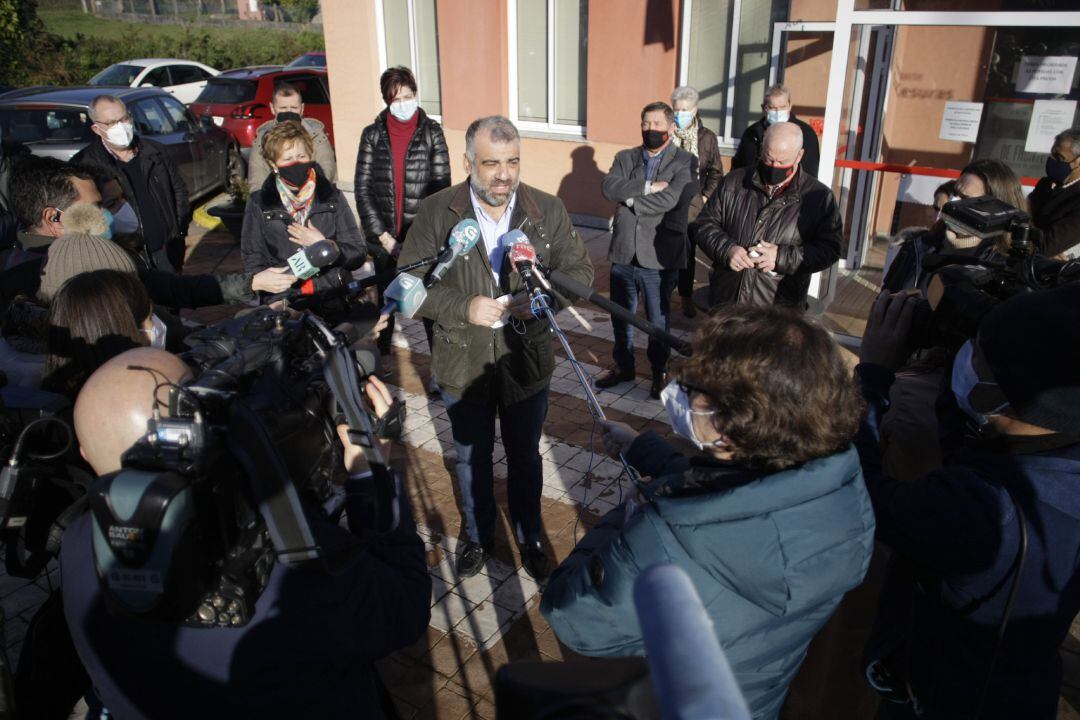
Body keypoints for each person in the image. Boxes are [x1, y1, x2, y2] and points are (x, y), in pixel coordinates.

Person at [541, 305, 875, 720]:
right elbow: (740, 501)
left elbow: (571, 615)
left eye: (695, 388)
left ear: (735, 422)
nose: (681, 393)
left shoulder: (665, 542)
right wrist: (646, 450)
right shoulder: (837, 494)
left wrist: (637, 510)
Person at [61, 347, 431, 718]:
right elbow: (404, 605)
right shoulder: (281, 565)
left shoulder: (76, 544)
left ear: (84, 452)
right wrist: (371, 475)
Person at [854, 285, 1080, 719]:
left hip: (941, 699)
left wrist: (873, 375)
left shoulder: (979, 511)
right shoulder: (1058, 450)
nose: (965, 358)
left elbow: (860, 492)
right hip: (1022, 691)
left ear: (1001, 395)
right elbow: (976, 442)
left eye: (977, 353)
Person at [396, 115, 593, 580]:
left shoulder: (546, 210)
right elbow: (406, 285)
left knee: (525, 457)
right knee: (470, 458)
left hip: (526, 363)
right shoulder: (436, 212)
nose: (504, 174)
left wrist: (542, 299)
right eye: (491, 164)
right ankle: (479, 535)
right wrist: (465, 307)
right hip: (462, 365)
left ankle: (531, 535)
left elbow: (580, 274)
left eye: (512, 162)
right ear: (468, 163)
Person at [596, 102, 696, 398]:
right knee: (620, 316)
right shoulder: (625, 157)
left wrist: (630, 199)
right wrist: (650, 187)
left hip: (659, 252)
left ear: (671, 127)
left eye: (657, 124)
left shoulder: (686, 162)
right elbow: (609, 187)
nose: (650, 130)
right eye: (645, 124)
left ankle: (659, 371)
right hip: (625, 251)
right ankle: (623, 366)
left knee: (657, 320)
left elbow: (672, 200)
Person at [354, 66, 450, 368]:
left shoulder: (432, 132)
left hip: (420, 241)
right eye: (397, 99)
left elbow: (440, 189)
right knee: (384, 305)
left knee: (428, 307)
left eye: (408, 96)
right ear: (386, 101)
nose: (404, 103)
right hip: (384, 240)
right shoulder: (372, 135)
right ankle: (375, 363)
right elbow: (362, 188)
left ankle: (440, 371)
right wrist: (383, 237)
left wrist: (418, 240)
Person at [697, 122, 842, 310]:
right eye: (768, 158)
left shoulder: (819, 197)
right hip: (727, 301)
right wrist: (727, 249)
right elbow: (704, 224)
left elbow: (829, 248)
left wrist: (781, 257)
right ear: (762, 149)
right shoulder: (734, 181)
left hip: (778, 311)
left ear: (799, 156)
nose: (774, 167)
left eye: (782, 162)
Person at [71, 95, 191, 273]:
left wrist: (178, 232)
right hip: (124, 260)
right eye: (111, 123)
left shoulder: (155, 152)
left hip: (166, 252)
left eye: (124, 119)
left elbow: (179, 192)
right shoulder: (85, 165)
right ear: (96, 129)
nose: (120, 126)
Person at [241, 122, 366, 276]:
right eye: (288, 159)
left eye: (301, 156)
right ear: (273, 164)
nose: (296, 163)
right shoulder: (260, 203)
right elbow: (253, 260)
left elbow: (358, 254)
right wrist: (273, 295)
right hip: (287, 294)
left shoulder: (332, 197)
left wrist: (326, 246)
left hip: (330, 292)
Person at [882, 161, 1023, 294]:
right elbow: (884, 299)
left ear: (996, 210)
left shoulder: (1004, 271)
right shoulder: (917, 246)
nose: (952, 203)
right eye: (955, 193)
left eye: (965, 198)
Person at [43, 269, 152, 398]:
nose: (155, 326)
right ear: (124, 330)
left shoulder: (50, 403)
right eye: (150, 318)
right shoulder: (150, 397)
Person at [670, 85, 724, 319]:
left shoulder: (706, 138)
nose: (679, 114)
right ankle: (661, 293)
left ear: (694, 111)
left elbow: (715, 172)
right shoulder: (666, 132)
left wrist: (704, 196)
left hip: (693, 205)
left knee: (686, 253)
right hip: (666, 203)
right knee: (664, 248)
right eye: (676, 109)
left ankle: (685, 296)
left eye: (684, 109)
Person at [246, 82, 337, 191]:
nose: (288, 113)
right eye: (283, 108)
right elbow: (257, 181)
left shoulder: (316, 134)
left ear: (302, 108)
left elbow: (326, 169)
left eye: (294, 108)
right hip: (278, 201)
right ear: (272, 108)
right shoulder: (263, 140)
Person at [732, 83, 821, 178]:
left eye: (782, 107)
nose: (778, 112)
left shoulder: (806, 134)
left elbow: (810, 173)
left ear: (790, 105)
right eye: (772, 108)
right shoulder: (751, 133)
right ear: (764, 108)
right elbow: (738, 166)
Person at [1028, 127, 1080, 258]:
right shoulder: (1045, 184)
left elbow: (1047, 246)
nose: (1052, 160)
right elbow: (1019, 212)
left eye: (1059, 157)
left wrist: (1023, 226)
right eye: (1052, 154)